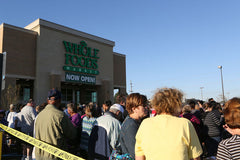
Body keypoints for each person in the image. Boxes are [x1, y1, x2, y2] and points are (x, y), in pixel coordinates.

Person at [135, 88, 202, 160]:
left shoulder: (145, 124)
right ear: (176, 104)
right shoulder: (185, 124)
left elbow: (139, 157)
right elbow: (195, 157)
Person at [34, 89, 77, 160]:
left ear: (48, 100)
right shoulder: (60, 115)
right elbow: (72, 134)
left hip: (39, 156)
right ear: (59, 100)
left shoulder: (39, 115)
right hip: (54, 156)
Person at [119, 93, 149, 159]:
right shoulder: (131, 125)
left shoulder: (134, 122)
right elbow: (135, 152)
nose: (146, 107)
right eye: (143, 105)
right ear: (134, 109)